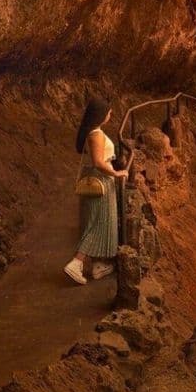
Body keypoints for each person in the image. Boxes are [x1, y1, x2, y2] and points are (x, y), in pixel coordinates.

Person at [64, 98, 128, 285]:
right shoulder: (96, 135)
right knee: (97, 222)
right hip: (100, 181)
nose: (110, 115)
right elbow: (99, 162)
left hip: (96, 180)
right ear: (100, 115)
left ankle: (99, 265)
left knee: (102, 221)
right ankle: (76, 263)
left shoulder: (92, 133)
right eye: (108, 112)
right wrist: (116, 173)